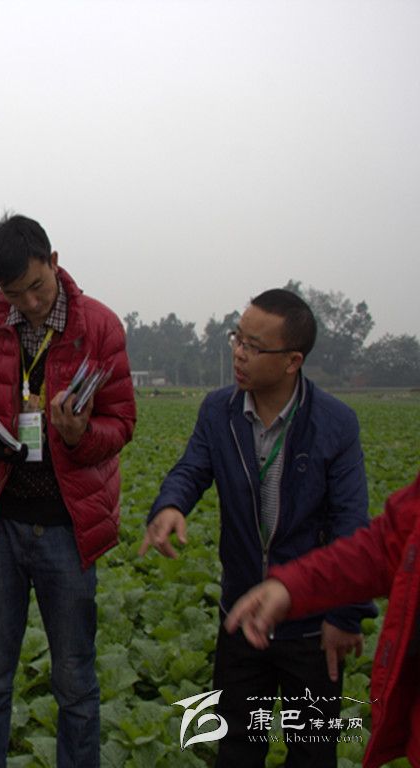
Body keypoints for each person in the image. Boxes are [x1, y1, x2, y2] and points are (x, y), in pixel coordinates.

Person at [140, 288, 377, 767]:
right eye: (237, 338)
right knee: (236, 750)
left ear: (292, 361)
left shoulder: (335, 423)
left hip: (312, 627)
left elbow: (351, 524)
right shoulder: (219, 411)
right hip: (242, 615)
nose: (239, 354)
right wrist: (170, 506)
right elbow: (192, 468)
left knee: (312, 755)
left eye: (253, 345)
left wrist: (345, 616)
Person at [0, 213, 136, 767]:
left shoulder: (98, 326)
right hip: (2, 524)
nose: (30, 303)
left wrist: (79, 435)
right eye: (15, 293)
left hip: (68, 528)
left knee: (76, 680)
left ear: (53, 262)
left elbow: (122, 422)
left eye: (37, 286)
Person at [225, 471, 420, 768]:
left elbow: (351, 513)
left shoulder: (336, 439)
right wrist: (291, 587)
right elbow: (387, 546)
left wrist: (344, 617)